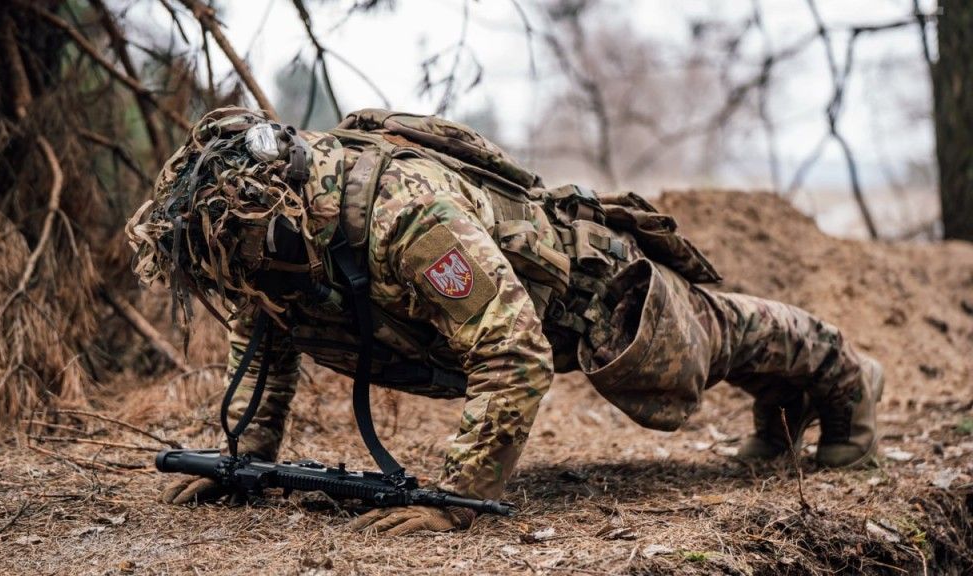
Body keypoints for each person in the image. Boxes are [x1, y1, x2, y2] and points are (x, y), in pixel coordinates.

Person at [126, 107, 883, 536]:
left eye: (245, 259)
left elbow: (514, 351)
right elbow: (263, 327)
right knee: (722, 355)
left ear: (284, 209)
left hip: (596, 296)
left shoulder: (403, 216)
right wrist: (243, 458)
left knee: (711, 344)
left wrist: (454, 500)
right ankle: (782, 411)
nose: (242, 279)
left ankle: (850, 385)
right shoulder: (263, 240)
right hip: (512, 314)